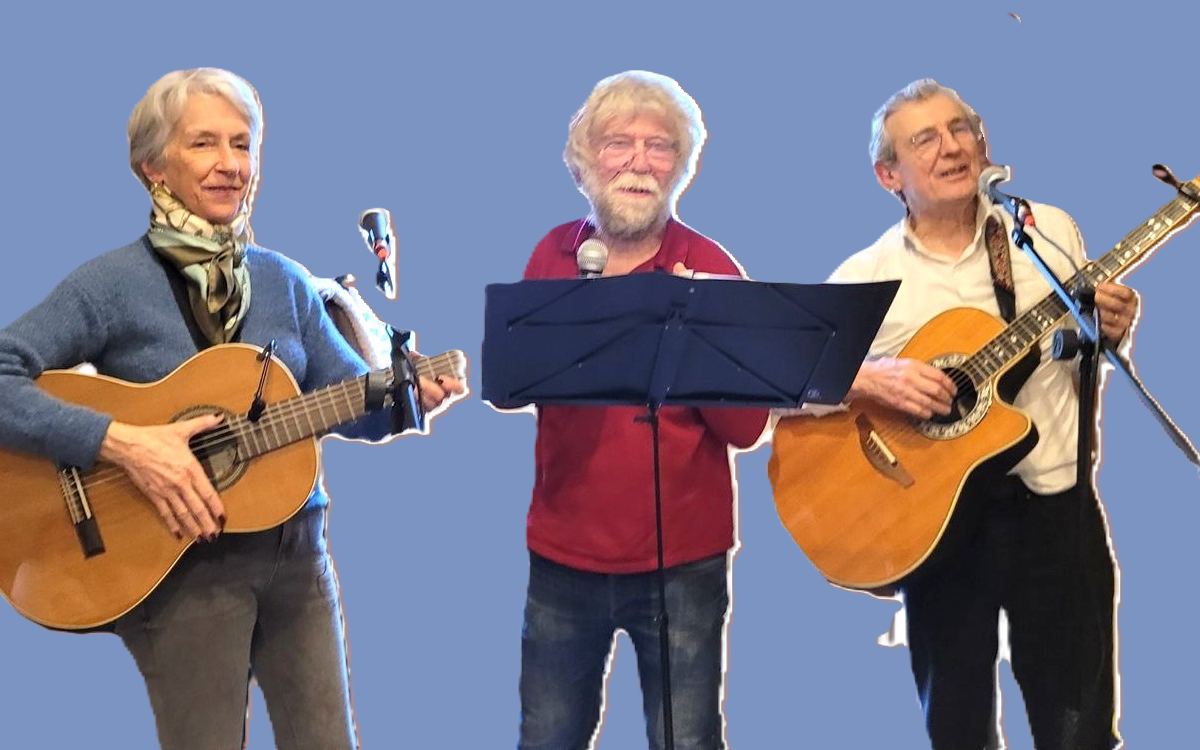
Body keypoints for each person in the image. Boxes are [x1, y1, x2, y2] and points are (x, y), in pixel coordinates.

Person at [0, 68, 463, 749]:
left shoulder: (284, 280)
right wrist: (121, 442)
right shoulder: (110, 284)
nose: (230, 164)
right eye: (204, 144)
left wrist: (406, 399)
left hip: (299, 559)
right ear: (153, 166)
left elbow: (348, 404)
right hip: (182, 566)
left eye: (242, 144)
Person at [790, 79, 1131, 749]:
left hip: (1054, 510)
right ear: (889, 175)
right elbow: (790, 382)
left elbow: (1078, 357)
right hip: (935, 522)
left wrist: (1108, 334)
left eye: (961, 129)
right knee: (956, 724)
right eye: (925, 139)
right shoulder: (868, 275)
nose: (952, 148)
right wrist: (874, 378)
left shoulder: (1044, 232)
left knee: (1080, 724)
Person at [504, 71, 769, 750]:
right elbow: (516, 388)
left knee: (688, 740)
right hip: (562, 558)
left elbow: (746, 430)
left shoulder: (710, 266)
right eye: (618, 143)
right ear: (584, 161)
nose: (639, 162)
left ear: (681, 167)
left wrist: (696, 336)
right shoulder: (552, 255)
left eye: (659, 146)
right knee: (548, 739)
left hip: (684, 566)